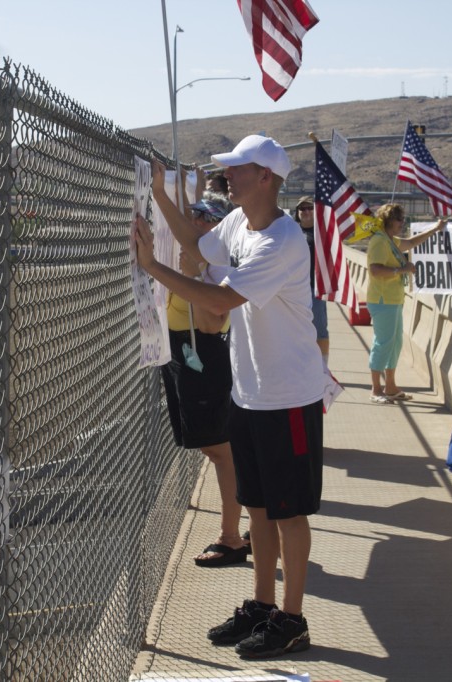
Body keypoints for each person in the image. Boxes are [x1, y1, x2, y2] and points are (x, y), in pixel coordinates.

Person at [133, 134, 324, 660]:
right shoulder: (239, 223)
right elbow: (198, 248)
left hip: (288, 397)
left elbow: (220, 297)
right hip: (251, 393)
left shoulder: (281, 242)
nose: (228, 178)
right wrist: (161, 198)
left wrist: (152, 266)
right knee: (259, 507)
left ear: (266, 177)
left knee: (289, 513)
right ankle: (263, 606)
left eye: (238, 170)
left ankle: (293, 617)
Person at [150, 172, 247, 567]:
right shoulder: (198, 258)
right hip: (185, 356)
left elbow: (213, 318)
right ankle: (248, 527)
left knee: (223, 452)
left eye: (206, 218)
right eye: (195, 216)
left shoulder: (214, 268)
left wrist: (189, 277)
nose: (196, 222)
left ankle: (232, 536)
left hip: (202, 356)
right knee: (215, 448)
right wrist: (167, 191)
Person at [365, 203, 446, 403]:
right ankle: (376, 389)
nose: (402, 223)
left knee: (395, 343)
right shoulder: (379, 241)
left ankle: (390, 386)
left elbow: (410, 243)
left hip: (394, 299)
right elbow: (374, 269)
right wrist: (401, 271)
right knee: (383, 343)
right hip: (382, 299)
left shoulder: (390, 241)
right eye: (399, 219)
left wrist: (434, 229)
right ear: (388, 220)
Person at [294, 196, 329, 365]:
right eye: (303, 209)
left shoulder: (322, 233)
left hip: (315, 291)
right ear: (297, 212)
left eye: (310, 208)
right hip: (294, 292)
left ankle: (323, 367)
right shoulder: (291, 232)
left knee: (319, 331)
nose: (306, 211)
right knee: (297, 332)